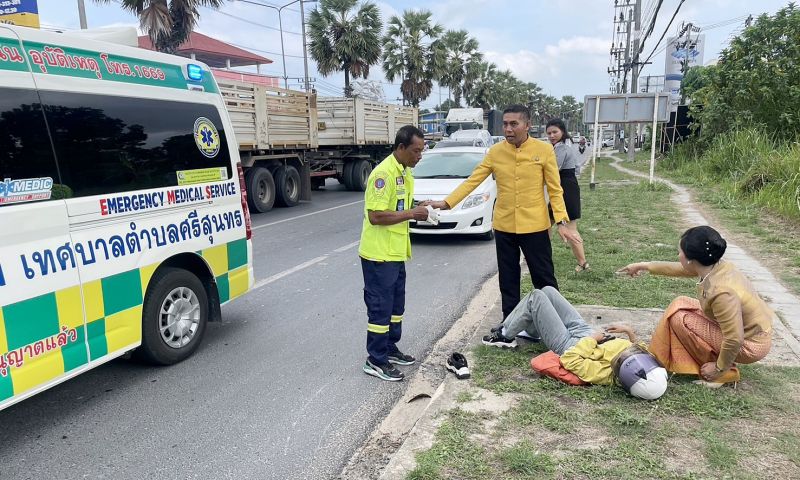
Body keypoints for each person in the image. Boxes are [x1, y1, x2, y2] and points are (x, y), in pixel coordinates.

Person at [427, 104, 582, 322]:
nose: (508, 129)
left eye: (514, 124)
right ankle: (509, 323)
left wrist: (561, 222)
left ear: (527, 125)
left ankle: (554, 321)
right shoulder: (496, 152)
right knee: (508, 279)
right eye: (505, 124)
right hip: (504, 226)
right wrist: (447, 203)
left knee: (544, 278)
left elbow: (555, 190)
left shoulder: (544, 150)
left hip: (535, 227)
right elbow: (474, 179)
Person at [618, 226, 774, 388]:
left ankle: (722, 374)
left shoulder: (722, 293)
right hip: (749, 332)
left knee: (680, 318)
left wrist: (719, 369)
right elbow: (686, 269)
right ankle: (712, 361)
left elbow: (734, 338)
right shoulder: (716, 266)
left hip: (750, 345)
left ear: (691, 259)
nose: (678, 256)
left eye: (680, 252)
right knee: (681, 303)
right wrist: (644, 266)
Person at [482, 286, 668, 399]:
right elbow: (641, 348)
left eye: (626, 360)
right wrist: (629, 331)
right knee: (549, 291)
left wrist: (591, 340)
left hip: (571, 344)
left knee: (536, 297)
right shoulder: (642, 364)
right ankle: (527, 330)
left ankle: (504, 335)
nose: (632, 354)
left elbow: (570, 359)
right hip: (590, 334)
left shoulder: (603, 374)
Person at [359, 125, 431, 382]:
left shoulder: (404, 171)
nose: (419, 156)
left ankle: (389, 348)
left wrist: (417, 207)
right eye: (416, 151)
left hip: (396, 253)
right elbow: (376, 215)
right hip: (378, 256)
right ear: (401, 148)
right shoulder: (384, 174)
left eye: (422, 151)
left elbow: (398, 205)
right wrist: (412, 214)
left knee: (395, 307)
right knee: (380, 309)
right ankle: (375, 360)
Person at [546, 119, 589, 272]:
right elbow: (576, 168)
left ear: (562, 132)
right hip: (560, 188)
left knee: (570, 228)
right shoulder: (559, 147)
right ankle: (542, 256)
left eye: (555, 132)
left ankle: (583, 263)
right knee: (545, 225)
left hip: (565, 190)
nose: (551, 135)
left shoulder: (562, 148)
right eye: (549, 133)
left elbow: (553, 170)